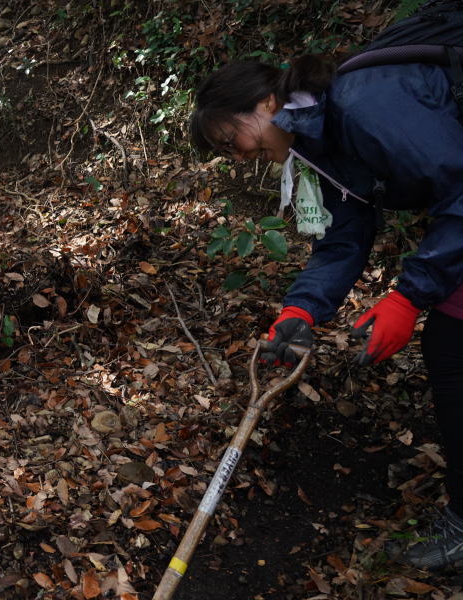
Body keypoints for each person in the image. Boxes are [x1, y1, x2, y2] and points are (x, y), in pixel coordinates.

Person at [190, 54, 463, 570]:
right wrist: (301, 310)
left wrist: (409, 296)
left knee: (451, 352)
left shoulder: (364, 105)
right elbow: (346, 237)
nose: (242, 157)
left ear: (266, 103)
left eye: (232, 141)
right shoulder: (318, 141)